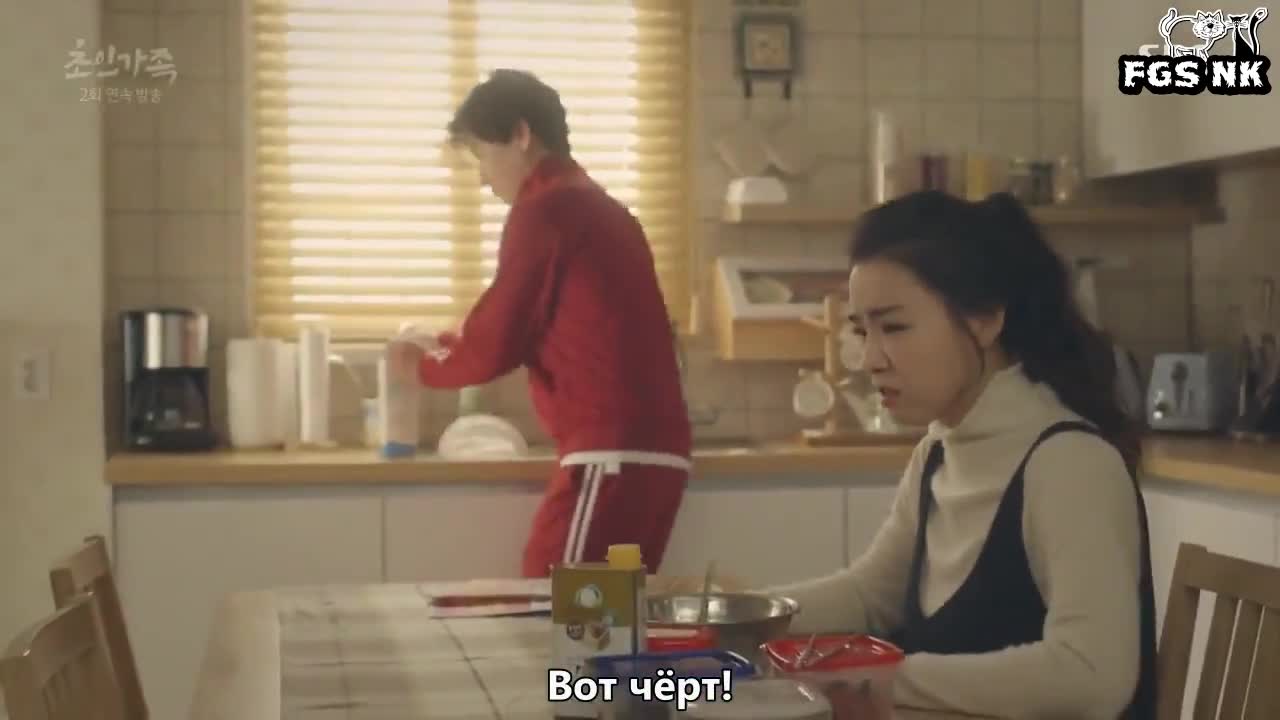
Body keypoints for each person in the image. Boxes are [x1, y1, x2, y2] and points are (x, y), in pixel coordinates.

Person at [767, 191, 1158, 719]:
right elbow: (870, 597)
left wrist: (881, 678)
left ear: (985, 319)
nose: (869, 359)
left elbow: (1091, 675)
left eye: (894, 327)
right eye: (862, 331)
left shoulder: (1071, 464)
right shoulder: (939, 450)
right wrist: (730, 619)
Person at [391, 69, 692, 578]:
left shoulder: (546, 210)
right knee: (604, 615)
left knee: (554, 605)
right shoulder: (600, 208)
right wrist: (446, 343)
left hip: (610, 450)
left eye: (483, 155)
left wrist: (420, 367)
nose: (483, 178)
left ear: (521, 135)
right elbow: (536, 320)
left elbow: (497, 342)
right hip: (644, 451)